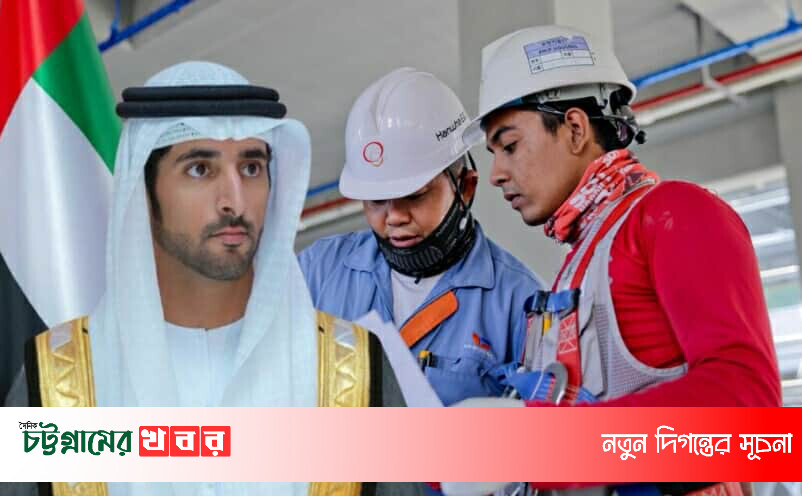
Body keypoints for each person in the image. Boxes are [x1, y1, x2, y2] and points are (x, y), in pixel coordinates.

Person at [4, 61, 383, 496]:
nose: (234, 201)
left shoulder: (352, 369)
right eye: (200, 169)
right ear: (143, 193)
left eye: (251, 168)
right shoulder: (58, 380)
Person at [442, 25, 782, 496]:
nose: (497, 173)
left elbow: (750, 421)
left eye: (510, 145)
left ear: (575, 128)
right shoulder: (581, 264)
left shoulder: (675, 215)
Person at [299, 68, 543, 407]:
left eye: (414, 196)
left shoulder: (521, 303)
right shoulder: (318, 272)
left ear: (465, 187)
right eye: (376, 201)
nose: (394, 217)